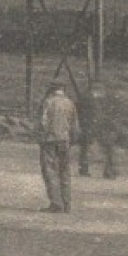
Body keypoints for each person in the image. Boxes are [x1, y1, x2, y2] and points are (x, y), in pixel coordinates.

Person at [37, 81, 77, 213]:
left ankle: (56, 203)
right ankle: (67, 203)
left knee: (50, 171)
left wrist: (40, 137)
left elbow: (43, 122)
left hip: (50, 140)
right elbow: (74, 125)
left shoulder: (48, 102)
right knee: (64, 171)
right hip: (64, 140)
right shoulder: (70, 103)